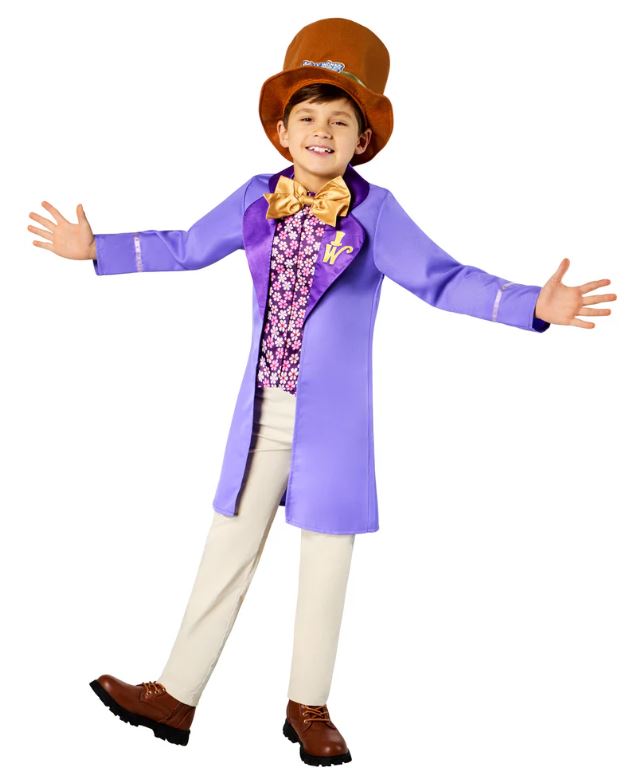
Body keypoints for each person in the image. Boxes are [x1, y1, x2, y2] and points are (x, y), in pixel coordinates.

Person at [27, 17, 616, 767]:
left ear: (362, 140)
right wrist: (97, 249)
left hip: (332, 422)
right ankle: (174, 694)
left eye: (340, 121)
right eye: (307, 117)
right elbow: (186, 246)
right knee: (227, 546)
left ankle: (308, 705)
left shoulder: (376, 212)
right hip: (262, 414)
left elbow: (444, 280)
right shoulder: (255, 197)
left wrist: (532, 303)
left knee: (327, 559)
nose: (321, 131)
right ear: (281, 131)